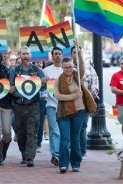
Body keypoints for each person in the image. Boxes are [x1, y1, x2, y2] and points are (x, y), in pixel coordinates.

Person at [9, 46, 45, 167]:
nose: (25, 56)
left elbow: (43, 87)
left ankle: (30, 157)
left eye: (27, 54)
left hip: (33, 105)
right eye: (23, 54)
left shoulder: (37, 70)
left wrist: (44, 82)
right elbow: (10, 87)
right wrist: (14, 91)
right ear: (20, 55)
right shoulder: (15, 70)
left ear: (30, 55)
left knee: (32, 132)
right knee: (21, 132)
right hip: (19, 106)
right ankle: (24, 154)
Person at [54, 43, 86, 173]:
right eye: (65, 67)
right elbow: (58, 96)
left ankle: (76, 163)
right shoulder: (58, 80)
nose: (68, 69)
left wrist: (79, 52)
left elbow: (82, 66)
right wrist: (74, 96)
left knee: (75, 139)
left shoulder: (78, 76)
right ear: (62, 68)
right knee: (65, 138)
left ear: (73, 66)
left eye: (70, 67)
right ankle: (63, 164)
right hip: (63, 113)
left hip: (79, 112)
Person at [71, 46, 99, 158]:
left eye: (78, 52)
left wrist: (90, 96)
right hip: (71, 103)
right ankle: (74, 149)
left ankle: (82, 151)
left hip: (85, 102)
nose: (76, 54)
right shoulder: (68, 68)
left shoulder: (89, 68)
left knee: (82, 127)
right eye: (74, 52)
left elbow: (95, 83)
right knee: (73, 128)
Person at [43, 47, 63, 166]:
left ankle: (62, 152)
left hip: (65, 106)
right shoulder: (46, 70)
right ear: (52, 56)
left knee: (62, 131)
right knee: (54, 130)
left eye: (59, 54)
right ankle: (55, 154)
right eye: (55, 54)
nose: (58, 56)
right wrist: (43, 81)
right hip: (51, 105)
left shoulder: (67, 68)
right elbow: (41, 85)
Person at [34, 60, 47, 154]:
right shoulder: (30, 73)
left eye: (41, 62)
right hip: (32, 100)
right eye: (37, 62)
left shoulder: (45, 73)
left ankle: (38, 143)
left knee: (40, 122)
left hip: (42, 100)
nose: (39, 63)